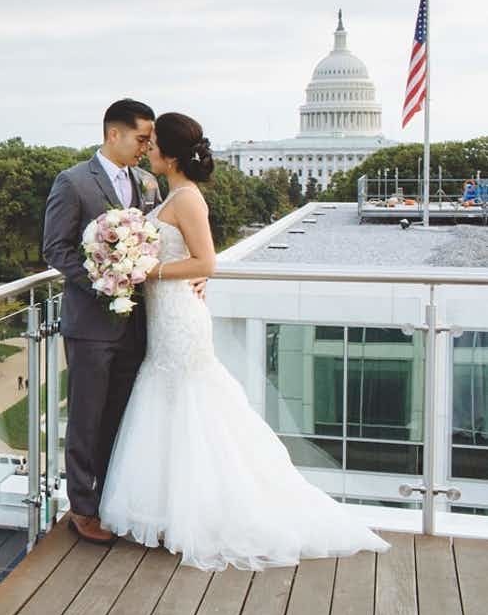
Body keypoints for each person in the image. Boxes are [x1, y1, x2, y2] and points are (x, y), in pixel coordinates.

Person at [98, 112, 389, 570]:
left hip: (179, 316)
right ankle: (170, 512)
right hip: (164, 315)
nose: (147, 150)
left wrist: (145, 270)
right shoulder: (166, 193)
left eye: (153, 144)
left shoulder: (188, 199)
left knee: (194, 406)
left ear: (170, 155)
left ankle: (200, 515)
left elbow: (206, 262)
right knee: (167, 405)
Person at [42, 98, 161, 544]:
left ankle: (112, 498)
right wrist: (104, 281)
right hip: (91, 323)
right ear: (115, 133)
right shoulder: (72, 182)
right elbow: (55, 248)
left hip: (137, 323)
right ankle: (83, 509)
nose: (146, 147)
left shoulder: (148, 184)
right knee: (87, 418)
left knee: (122, 415)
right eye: (141, 138)